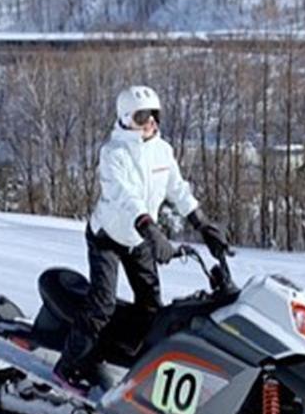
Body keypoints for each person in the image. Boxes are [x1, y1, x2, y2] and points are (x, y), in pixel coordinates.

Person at [53, 85, 230, 392]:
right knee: (102, 304)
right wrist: (151, 229)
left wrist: (203, 224)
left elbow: (178, 189)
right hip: (108, 236)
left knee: (151, 306)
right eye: (142, 115)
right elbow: (125, 196)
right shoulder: (113, 153)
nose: (150, 121)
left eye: (154, 114)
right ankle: (68, 366)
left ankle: (126, 358)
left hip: (138, 239)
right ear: (126, 118)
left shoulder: (162, 150)